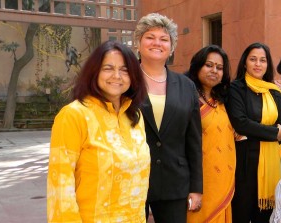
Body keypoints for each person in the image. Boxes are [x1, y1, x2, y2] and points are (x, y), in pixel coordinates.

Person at [47, 40, 149, 222]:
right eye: (108, 68)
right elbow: (60, 187)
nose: (117, 75)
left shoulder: (135, 116)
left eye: (125, 70)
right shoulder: (73, 115)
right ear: (94, 72)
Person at [134, 13, 202, 223]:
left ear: (171, 48)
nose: (157, 43)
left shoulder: (186, 86)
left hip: (175, 180)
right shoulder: (125, 81)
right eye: (150, 37)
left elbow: (194, 140)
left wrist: (196, 188)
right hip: (132, 179)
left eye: (164, 39)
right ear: (139, 43)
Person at [226, 42, 281, 223]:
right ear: (245, 63)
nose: (258, 64)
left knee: (266, 216)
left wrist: (258, 131)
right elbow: (241, 123)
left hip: (272, 164)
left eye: (262, 60)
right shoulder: (237, 88)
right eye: (253, 59)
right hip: (245, 164)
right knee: (242, 213)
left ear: (267, 64)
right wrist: (273, 133)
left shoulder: (274, 91)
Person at [184, 45, 235, 223]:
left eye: (219, 68)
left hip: (223, 180)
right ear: (197, 66)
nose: (214, 71)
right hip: (197, 181)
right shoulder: (186, 98)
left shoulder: (222, 100)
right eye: (209, 65)